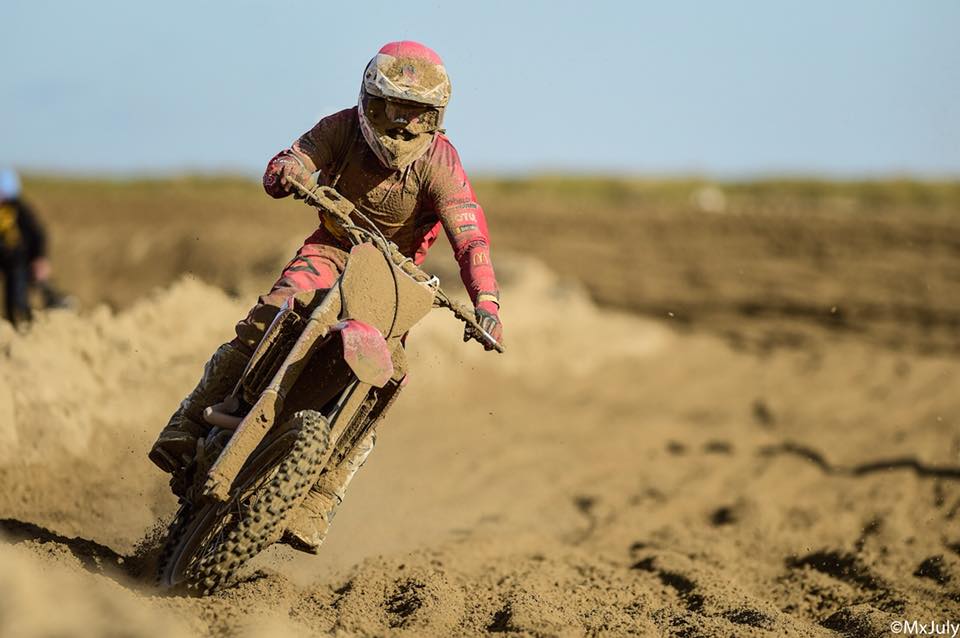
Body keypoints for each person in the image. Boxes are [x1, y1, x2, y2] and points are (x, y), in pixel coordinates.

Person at [149, 41, 503, 554]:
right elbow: (293, 159)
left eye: (418, 114)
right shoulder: (340, 127)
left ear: (436, 117)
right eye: (392, 109)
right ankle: (189, 420)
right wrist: (287, 169)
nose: (403, 126)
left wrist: (487, 305)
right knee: (271, 313)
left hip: (394, 279)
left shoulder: (441, 162)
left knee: (389, 377)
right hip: (333, 247)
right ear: (370, 102)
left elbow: (470, 237)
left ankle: (320, 496)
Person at [0, 169, 55, 326]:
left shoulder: (19, 209)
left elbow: (38, 234)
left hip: (18, 261)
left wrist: (40, 258)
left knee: (16, 298)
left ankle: (21, 323)